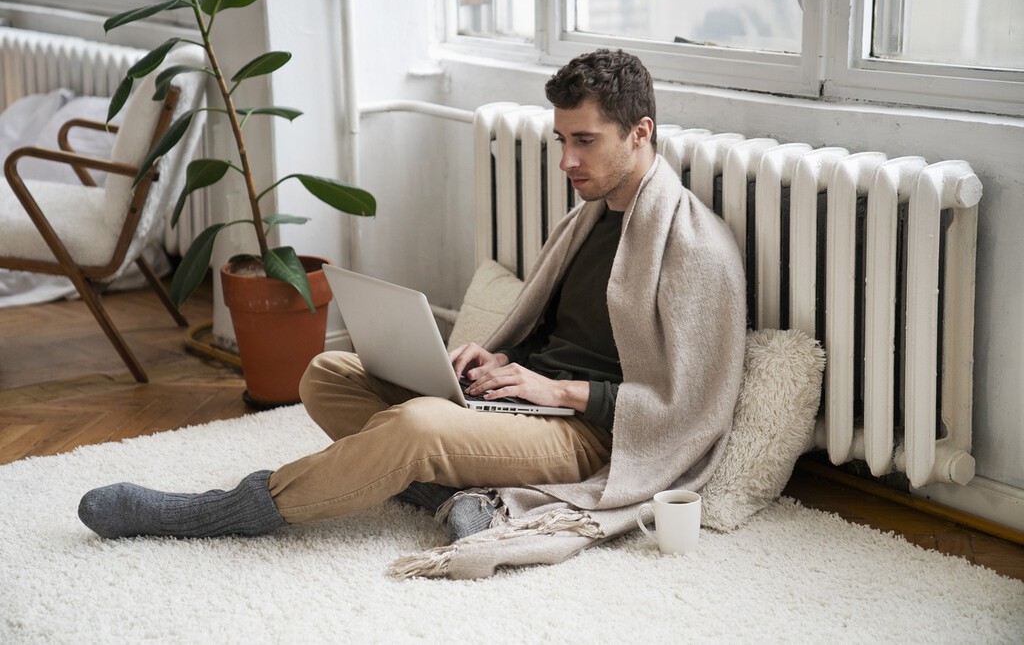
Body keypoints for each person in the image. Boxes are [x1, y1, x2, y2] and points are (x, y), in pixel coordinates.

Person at [78, 50, 748, 578]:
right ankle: (457, 500)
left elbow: (688, 409)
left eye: (585, 140)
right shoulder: (588, 219)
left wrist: (558, 391)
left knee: (416, 425)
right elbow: (554, 331)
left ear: (640, 132)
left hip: (592, 438)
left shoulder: (697, 248)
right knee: (327, 374)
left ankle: (221, 511)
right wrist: (503, 360)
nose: (566, 160)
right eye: (560, 139)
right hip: (526, 405)